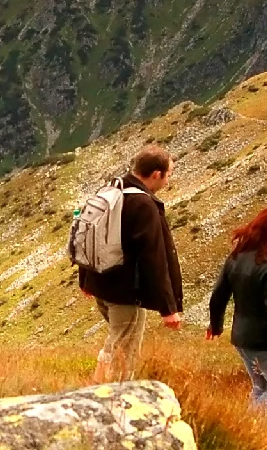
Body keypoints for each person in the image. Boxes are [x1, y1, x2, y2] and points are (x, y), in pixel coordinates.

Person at [79, 145, 184, 382]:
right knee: (123, 352)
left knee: (117, 341)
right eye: (169, 174)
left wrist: (85, 279)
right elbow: (154, 258)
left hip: (100, 285)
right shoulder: (144, 205)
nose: (168, 181)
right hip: (125, 293)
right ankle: (110, 399)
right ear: (156, 174)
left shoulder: (109, 191)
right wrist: (169, 308)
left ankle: (100, 392)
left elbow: (86, 236)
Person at [207, 206, 267, 414]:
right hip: (264, 343)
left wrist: (215, 325)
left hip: (242, 338)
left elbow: (218, 296)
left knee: (262, 387)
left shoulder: (236, 257)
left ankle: (248, 433)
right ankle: (249, 426)